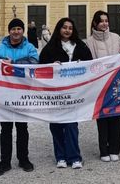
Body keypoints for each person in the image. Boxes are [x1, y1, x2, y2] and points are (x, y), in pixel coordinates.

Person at [0, 18, 38, 177]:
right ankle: (5, 161)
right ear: (9, 31)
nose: (16, 32)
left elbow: (35, 63)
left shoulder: (30, 48)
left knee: (23, 128)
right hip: (4, 94)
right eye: (13, 29)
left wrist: (12, 63)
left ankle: (23, 159)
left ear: (23, 31)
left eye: (19, 29)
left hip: (23, 94)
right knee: (6, 129)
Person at [39, 17, 93, 169]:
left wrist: (81, 65)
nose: (67, 30)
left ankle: (74, 156)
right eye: (64, 27)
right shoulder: (50, 48)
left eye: (70, 27)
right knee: (56, 125)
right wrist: (51, 66)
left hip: (74, 93)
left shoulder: (81, 46)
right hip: (55, 94)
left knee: (71, 125)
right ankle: (60, 156)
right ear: (59, 29)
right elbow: (40, 70)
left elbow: (91, 65)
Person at [85, 10, 120, 163]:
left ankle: (115, 149)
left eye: (106, 20)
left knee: (116, 117)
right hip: (99, 85)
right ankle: (104, 149)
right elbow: (87, 63)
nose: (104, 23)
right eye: (101, 21)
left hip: (116, 84)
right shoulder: (89, 42)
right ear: (95, 23)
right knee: (102, 118)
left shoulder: (116, 38)